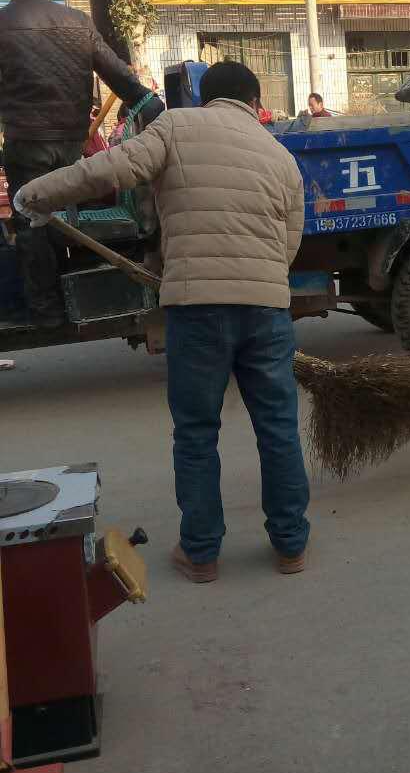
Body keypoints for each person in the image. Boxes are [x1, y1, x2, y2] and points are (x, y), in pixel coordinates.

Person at [14, 61, 310, 583]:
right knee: (279, 429)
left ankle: (201, 553)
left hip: (197, 309)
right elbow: (290, 243)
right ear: (254, 102)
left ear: (205, 97)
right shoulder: (281, 156)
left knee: (196, 433)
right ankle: (291, 547)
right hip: (267, 309)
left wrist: (36, 193)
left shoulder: (176, 126)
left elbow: (110, 170)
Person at [0, 0, 164, 327]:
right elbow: (123, 80)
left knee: (31, 218)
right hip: (72, 142)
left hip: (26, 142)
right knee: (65, 212)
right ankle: (78, 295)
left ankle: (47, 310)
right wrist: (153, 107)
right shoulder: (78, 22)